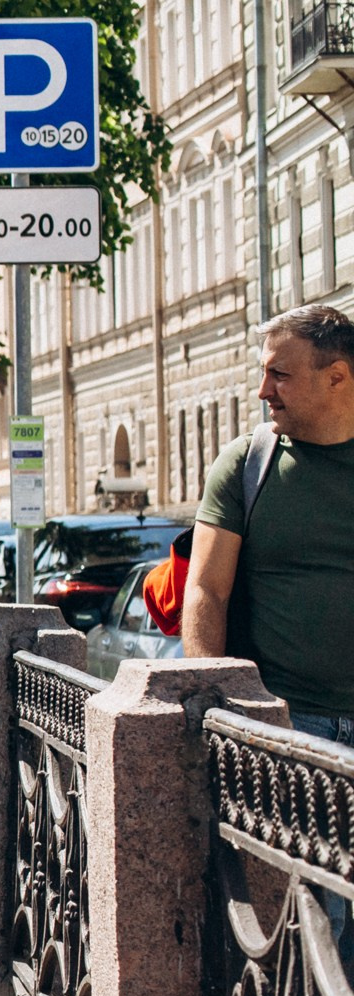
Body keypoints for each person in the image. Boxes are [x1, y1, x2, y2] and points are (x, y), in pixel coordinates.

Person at [183, 304, 354, 743]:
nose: (263, 391)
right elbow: (206, 590)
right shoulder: (248, 464)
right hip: (284, 725)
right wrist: (213, 699)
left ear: (336, 377)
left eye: (280, 375)